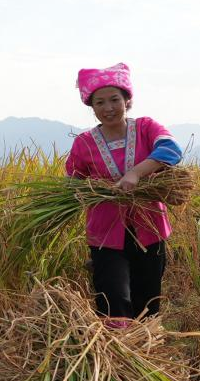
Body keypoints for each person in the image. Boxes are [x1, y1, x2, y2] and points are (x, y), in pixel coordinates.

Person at [66, 63, 183, 321]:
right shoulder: (83, 143)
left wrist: (136, 173)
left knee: (148, 301)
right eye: (100, 103)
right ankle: (116, 355)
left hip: (149, 229)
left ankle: (145, 351)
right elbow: (73, 182)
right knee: (113, 300)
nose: (108, 108)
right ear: (92, 107)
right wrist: (91, 190)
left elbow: (172, 150)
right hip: (105, 234)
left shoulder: (145, 128)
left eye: (114, 100)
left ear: (127, 101)